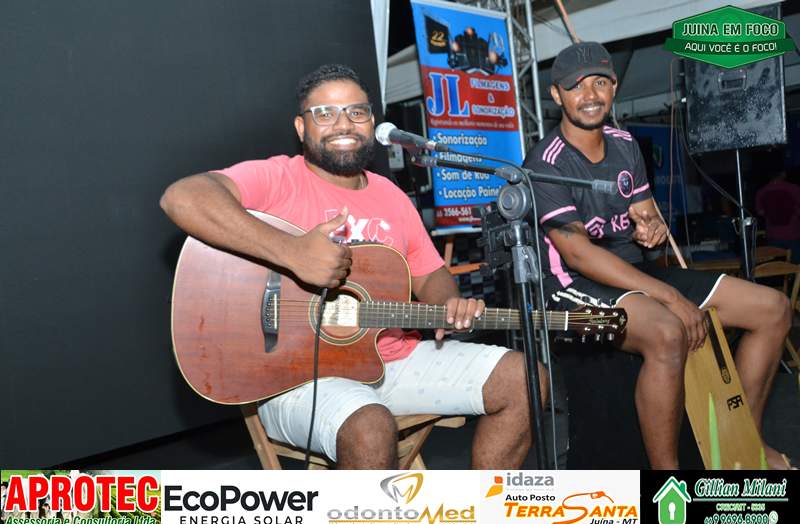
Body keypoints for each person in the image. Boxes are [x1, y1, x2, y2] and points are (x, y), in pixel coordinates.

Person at [160, 63, 545, 469]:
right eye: (325, 113)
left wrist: (449, 302)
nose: (343, 123)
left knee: (525, 378)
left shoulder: (392, 196)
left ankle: (484, 503)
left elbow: (431, 274)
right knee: (370, 426)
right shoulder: (278, 178)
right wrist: (292, 253)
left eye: (356, 112)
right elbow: (182, 198)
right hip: (294, 379)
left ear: (372, 122)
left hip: (395, 363)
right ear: (301, 127)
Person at [523, 42, 791, 470]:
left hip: (632, 271)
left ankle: (744, 445)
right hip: (572, 287)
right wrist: (670, 297)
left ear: (614, 88)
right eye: (576, 87)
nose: (590, 95)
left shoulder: (625, 144)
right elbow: (578, 255)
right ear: (557, 95)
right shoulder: (545, 162)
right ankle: (669, 480)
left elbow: (646, 216)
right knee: (667, 332)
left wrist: (653, 229)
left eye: (600, 83)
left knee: (772, 308)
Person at [755, 170, 800, 263]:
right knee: (795, 266)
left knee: (774, 266)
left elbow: (760, 212)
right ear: (783, 174)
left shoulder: (762, 191)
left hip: (773, 235)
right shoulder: (794, 188)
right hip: (793, 234)